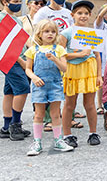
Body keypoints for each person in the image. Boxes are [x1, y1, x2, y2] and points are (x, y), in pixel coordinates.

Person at [23, 19, 73, 155]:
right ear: (39, 34)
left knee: (55, 114)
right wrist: (33, 77)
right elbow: (28, 69)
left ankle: (58, 140)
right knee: (38, 114)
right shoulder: (33, 50)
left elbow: (64, 68)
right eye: (46, 31)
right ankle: (37, 142)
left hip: (55, 85)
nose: (50, 34)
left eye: (53, 32)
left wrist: (55, 59)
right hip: (39, 85)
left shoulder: (60, 49)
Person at [60, 0, 102, 148]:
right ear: (73, 15)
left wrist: (98, 75)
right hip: (72, 69)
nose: (83, 16)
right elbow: (60, 54)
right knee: (70, 104)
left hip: (89, 69)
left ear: (90, 15)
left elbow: (97, 56)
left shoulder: (92, 33)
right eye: (79, 13)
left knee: (89, 104)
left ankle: (93, 133)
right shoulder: (66, 33)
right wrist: (79, 55)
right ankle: (67, 134)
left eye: (86, 13)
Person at [0, 0, 31, 141]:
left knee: (9, 91)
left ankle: (6, 127)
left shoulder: (15, 19)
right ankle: (15, 124)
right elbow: (3, 44)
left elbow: (21, 40)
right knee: (22, 88)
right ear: (5, 2)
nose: (19, 4)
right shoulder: (0, 18)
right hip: (10, 59)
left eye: (19, 0)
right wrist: (22, 62)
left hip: (17, 57)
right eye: (15, 1)